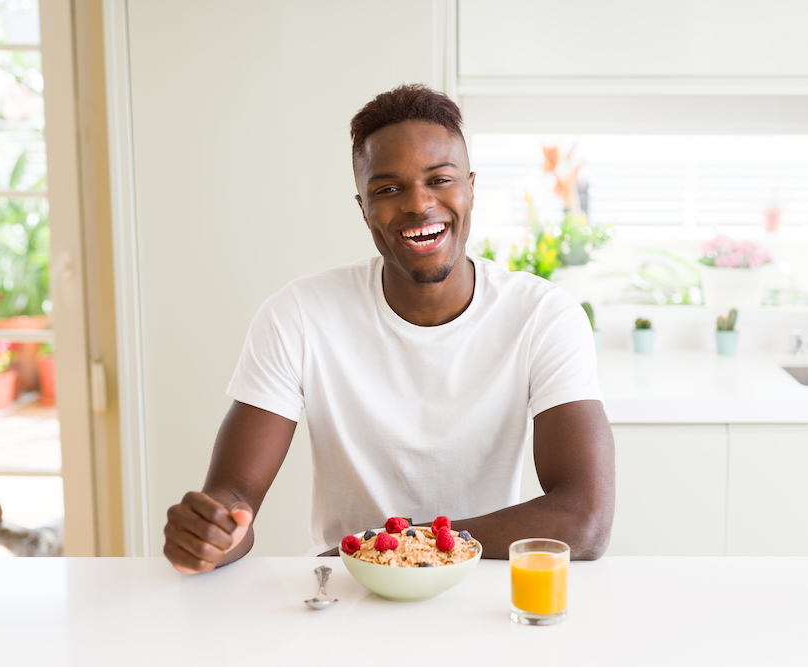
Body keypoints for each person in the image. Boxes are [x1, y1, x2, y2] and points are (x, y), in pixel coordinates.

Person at [163, 84, 615, 573]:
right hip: (346, 591)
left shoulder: (542, 315)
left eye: (440, 180)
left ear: (470, 187)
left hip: (480, 588)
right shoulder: (298, 314)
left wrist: (392, 547)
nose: (419, 205)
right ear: (362, 207)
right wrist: (211, 534)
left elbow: (584, 519)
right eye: (388, 189)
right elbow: (235, 497)